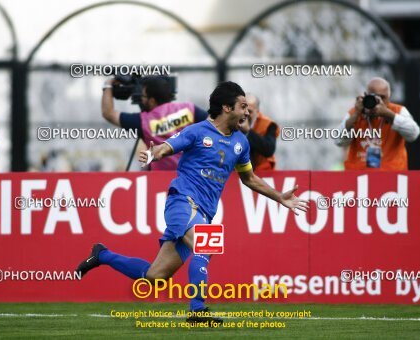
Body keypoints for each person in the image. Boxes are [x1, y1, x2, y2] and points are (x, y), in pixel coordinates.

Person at [77, 82, 309, 324]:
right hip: (182, 202)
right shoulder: (197, 131)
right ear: (227, 108)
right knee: (206, 245)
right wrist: (153, 153)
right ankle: (197, 311)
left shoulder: (242, 143)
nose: (248, 111)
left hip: (204, 213)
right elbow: (167, 148)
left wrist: (279, 197)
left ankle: (102, 255)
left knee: (154, 276)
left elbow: (249, 178)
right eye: (243, 106)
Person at [101, 76, 208, 170]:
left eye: (143, 96)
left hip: (161, 182)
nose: (141, 99)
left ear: (152, 101)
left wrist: (108, 84)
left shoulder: (143, 121)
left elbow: (108, 113)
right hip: (193, 178)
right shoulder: (189, 109)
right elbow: (215, 124)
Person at [335, 77, 420, 170]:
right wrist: (355, 115)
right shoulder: (356, 112)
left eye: (383, 97)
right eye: (374, 96)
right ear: (366, 96)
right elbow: (338, 141)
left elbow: (413, 134)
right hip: (360, 177)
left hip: (392, 176)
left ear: (389, 98)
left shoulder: (398, 111)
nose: (379, 101)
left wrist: (388, 114)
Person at [238, 93, 280, 170]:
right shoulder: (231, 121)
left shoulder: (268, 125)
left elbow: (268, 149)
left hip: (262, 172)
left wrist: (247, 132)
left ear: (257, 112)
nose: (245, 114)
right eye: (242, 109)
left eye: (249, 111)